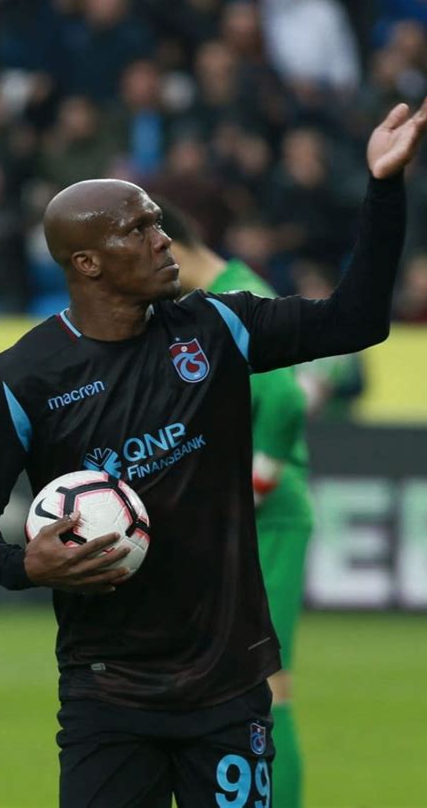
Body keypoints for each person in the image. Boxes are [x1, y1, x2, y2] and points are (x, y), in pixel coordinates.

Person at [0, 94, 427, 807]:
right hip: (108, 696)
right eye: (140, 230)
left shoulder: (219, 327)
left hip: (227, 692)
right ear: (88, 263)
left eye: (159, 223)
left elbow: (358, 318)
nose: (165, 241)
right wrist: (19, 565)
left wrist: (383, 189)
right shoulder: (22, 379)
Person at [155, 196, 313, 807]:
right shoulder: (215, 296)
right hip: (248, 523)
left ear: (168, 241)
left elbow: (286, 401)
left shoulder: (235, 295)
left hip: (268, 523)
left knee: (270, 686)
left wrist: (254, 488)